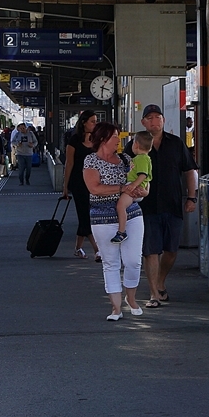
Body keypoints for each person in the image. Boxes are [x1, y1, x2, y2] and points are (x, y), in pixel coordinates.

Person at [126, 104, 198, 308]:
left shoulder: (176, 143)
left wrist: (191, 198)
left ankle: (160, 281)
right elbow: (125, 170)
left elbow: (189, 170)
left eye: (158, 117)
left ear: (164, 121)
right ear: (142, 123)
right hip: (145, 206)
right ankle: (154, 294)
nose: (154, 121)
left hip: (172, 203)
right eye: (149, 118)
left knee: (171, 250)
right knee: (151, 250)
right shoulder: (134, 144)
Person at [84, 121, 147, 321]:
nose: (118, 141)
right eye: (114, 137)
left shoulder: (126, 158)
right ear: (103, 139)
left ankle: (131, 298)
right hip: (102, 217)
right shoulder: (91, 161)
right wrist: (122, 188)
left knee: (133, 261)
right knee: (110, 263)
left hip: (132, 213)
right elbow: (94, 188)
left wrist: (142, 191)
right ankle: (116, 307)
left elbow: (143, 182)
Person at [62, 110, 102, 263]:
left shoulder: (97, 140)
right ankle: (97, 250)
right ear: (84, 122)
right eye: (92, 121)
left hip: (94, 183)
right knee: (86, 216)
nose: (95, 124)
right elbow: (69, 163)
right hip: (78, 183)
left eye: (96, 121)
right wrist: (65, 187)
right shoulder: (74, 140)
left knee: (86, 215)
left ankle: (78, 248)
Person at [114, 131, 153, 243]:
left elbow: (143, 175)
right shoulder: (143, 158)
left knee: (120, 206)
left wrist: (133, 185)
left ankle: (121, 231)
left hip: (134, 187)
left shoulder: (141, 158)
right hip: (137, 187)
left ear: (136, 144)